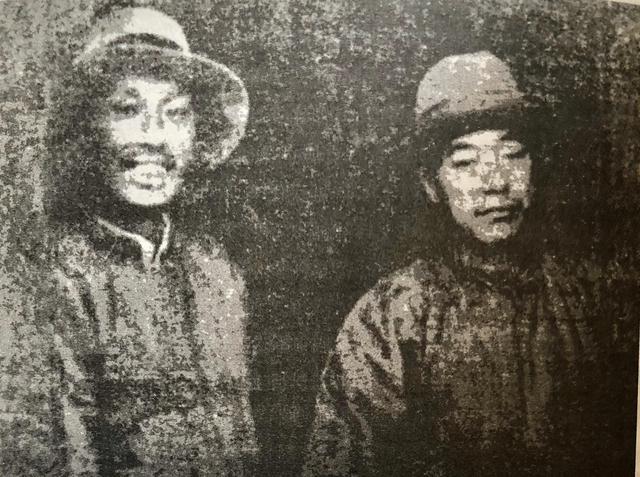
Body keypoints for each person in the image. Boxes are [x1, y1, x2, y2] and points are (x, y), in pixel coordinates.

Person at [303, 51, 631, 476]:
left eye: (513, 153)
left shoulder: (594, 299)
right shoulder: (393, 316)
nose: (495, 181)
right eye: (465, 162)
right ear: (431, 183)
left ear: (537, 168)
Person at [2, 5, 257, 475]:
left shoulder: (216, 272)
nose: (154, 137)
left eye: (176, 113)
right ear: (86, 128)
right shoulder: (47, 279)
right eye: (126, 109)